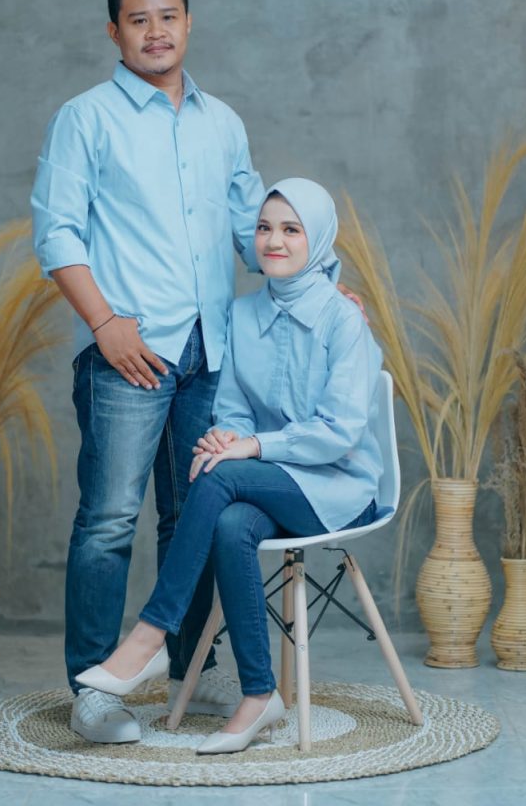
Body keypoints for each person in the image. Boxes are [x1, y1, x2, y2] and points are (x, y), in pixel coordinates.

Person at [31, 0, 266, 743]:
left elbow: (252, 229)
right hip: (128, 353)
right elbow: (57, 231)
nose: (156, 31)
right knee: (108, 521)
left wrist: (326, 286)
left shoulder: (221, 122)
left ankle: (190, 668)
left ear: (189, 24)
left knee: (192, 515)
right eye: (139, 19)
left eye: (168, 16)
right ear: (115, 32)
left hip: (209, 350)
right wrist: (104, 323)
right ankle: (94, 689)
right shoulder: (85, 118)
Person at [76, 178, 384, 755]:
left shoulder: (343, 320)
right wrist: (229, 434)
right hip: (274, 480)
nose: (274, 240)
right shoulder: (242, 315)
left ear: (319, 239)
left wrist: (250, 447)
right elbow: (237, 406)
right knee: (229, 522)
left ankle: (150, 637)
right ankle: (259, 693)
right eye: (264, 228)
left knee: (219, 474)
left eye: (292, 230)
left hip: (338, 487)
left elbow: (340, 432)